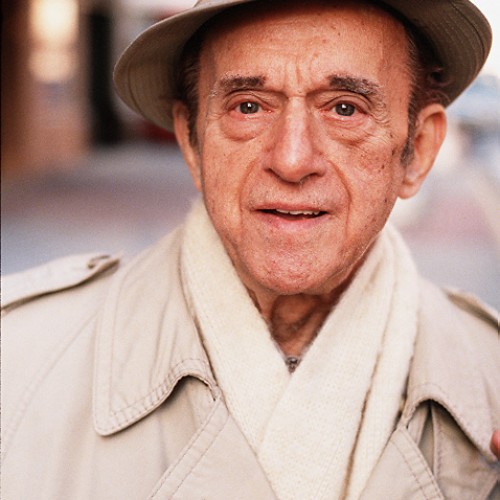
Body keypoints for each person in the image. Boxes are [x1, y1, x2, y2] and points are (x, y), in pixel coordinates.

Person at [2, 0, 499, 498]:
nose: (292, 159)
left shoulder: (490, 374)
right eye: (248, 106)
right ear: (192, 142)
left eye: (345, 108)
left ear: (417, 151)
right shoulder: (17, 362)